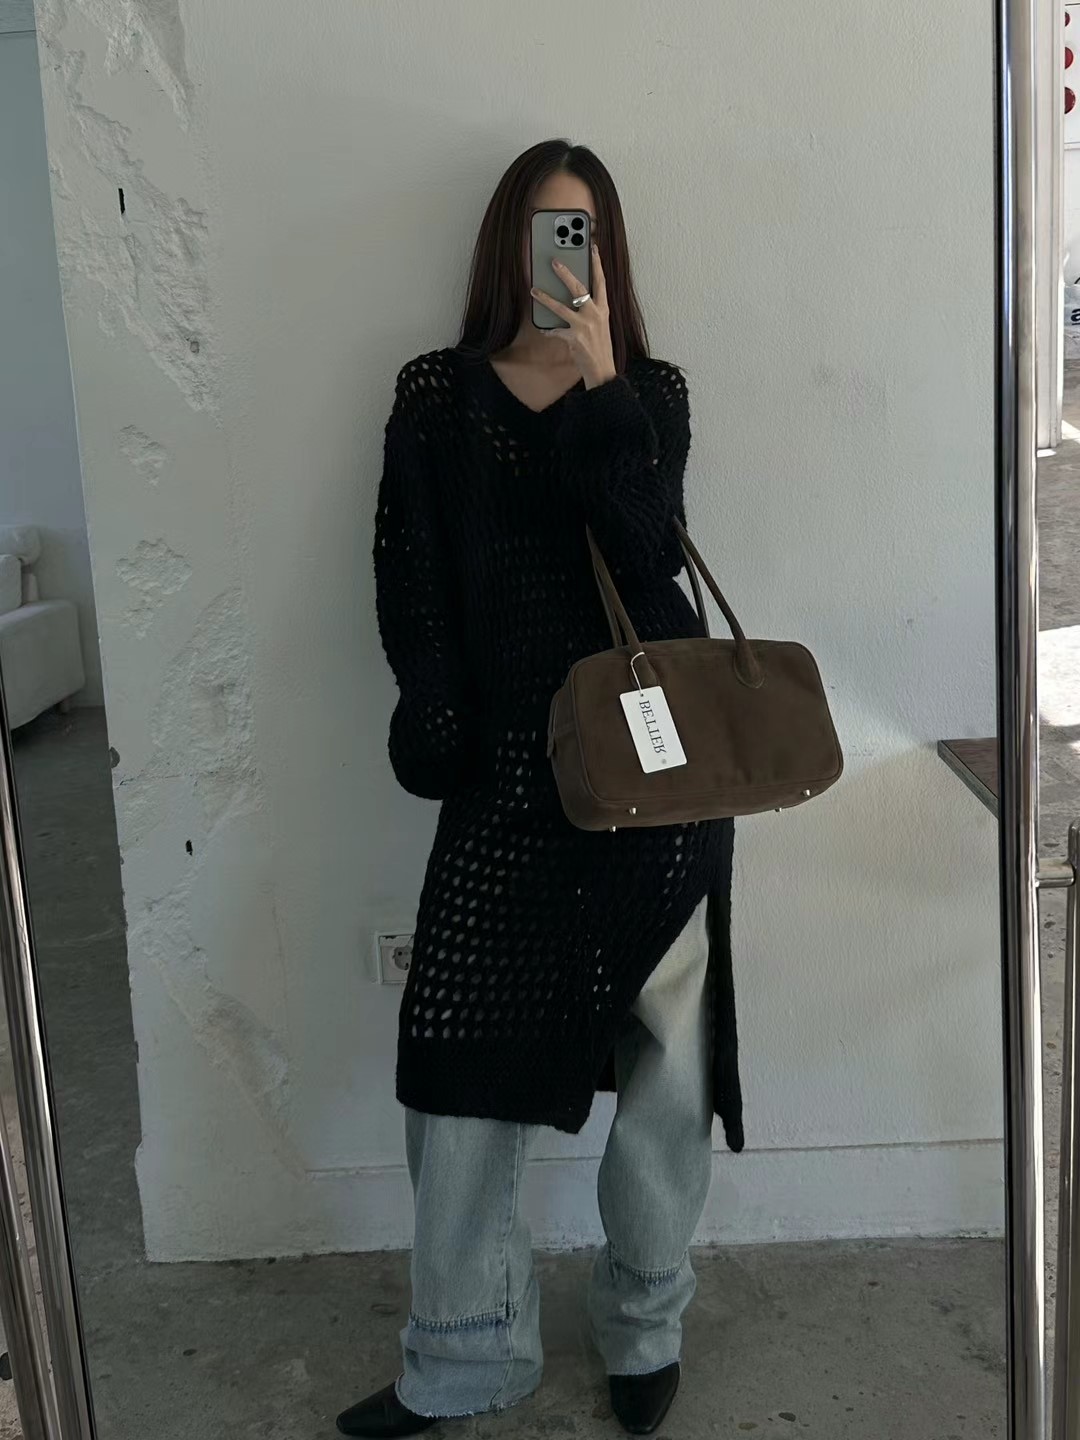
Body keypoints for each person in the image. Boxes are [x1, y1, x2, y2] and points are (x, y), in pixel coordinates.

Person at [337, 139, 741, 1439]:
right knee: (458, 1065)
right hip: (507, 786)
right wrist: (437, 719)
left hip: (654, 786)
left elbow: (652, 563)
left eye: (585, 233)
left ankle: (645, 1324)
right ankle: (466, 1352)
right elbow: (411, 578)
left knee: (667, 1069)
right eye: (543, 231)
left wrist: (604, 388)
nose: (563, 256)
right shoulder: (438, 396)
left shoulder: (651, 393)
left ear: (609, 253)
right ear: (504, 243)